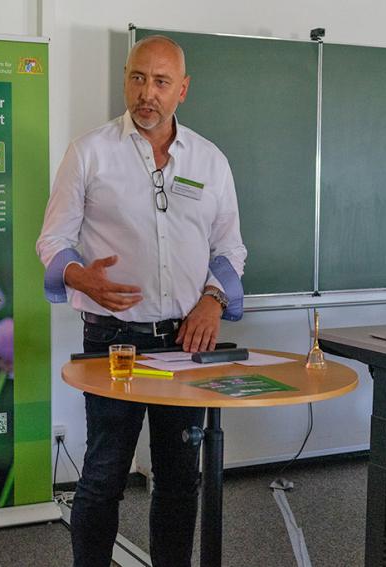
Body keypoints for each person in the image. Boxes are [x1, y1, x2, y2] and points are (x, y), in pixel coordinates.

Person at [36, 35, 247, 567]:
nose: (145, 93)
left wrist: (213, 301)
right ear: (125, 79)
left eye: (159, 82)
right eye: (136, 78)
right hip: (113, 340)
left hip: (185, 339)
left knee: (179, 477)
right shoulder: (90, 152)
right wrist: (80, 276)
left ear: (183, 90)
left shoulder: (210, 159)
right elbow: (53, 240)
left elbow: (230, 248)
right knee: (105, 473)